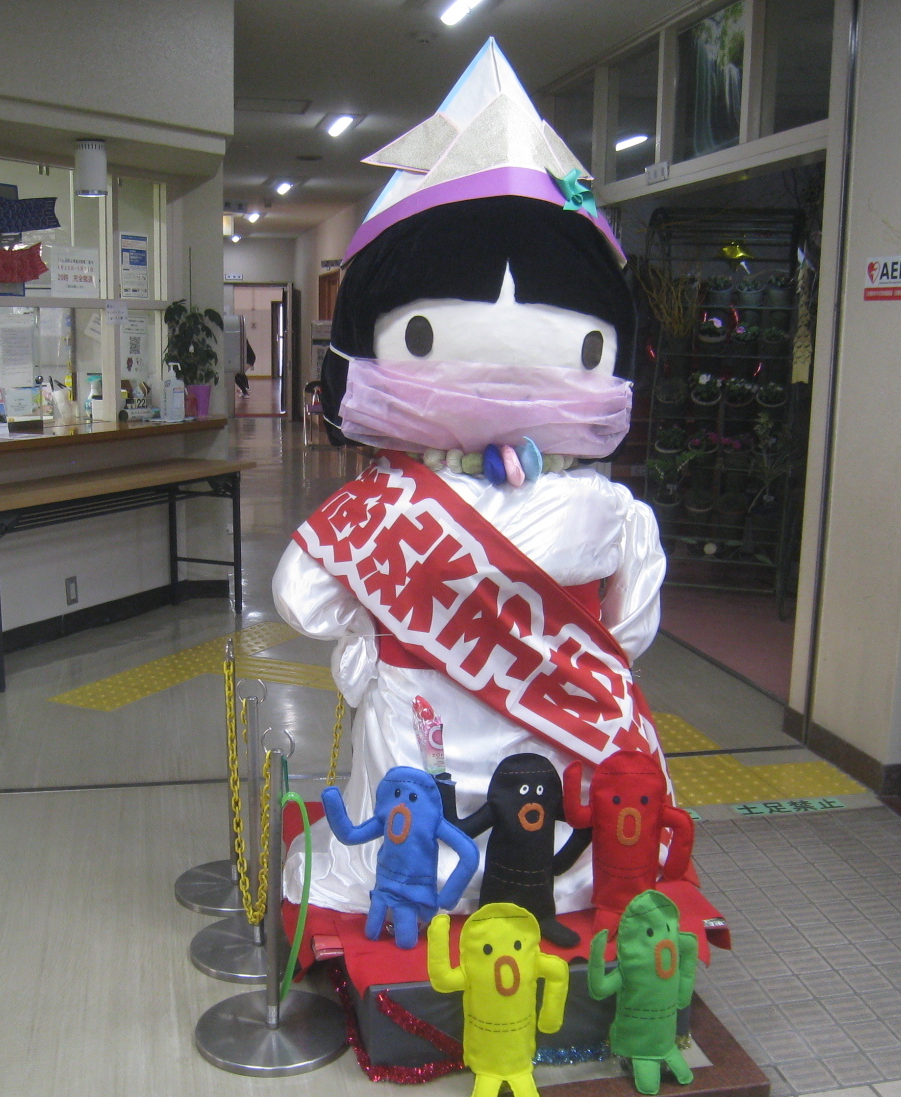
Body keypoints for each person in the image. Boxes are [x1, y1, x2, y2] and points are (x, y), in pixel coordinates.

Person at [274, 39, 669, 924]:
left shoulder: (381, 508)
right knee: (557, 820)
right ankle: (560, 882)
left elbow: (304, 601)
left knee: (401, 818)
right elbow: (631, 628)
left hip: (413, 728)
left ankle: (410, 885)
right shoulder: (607, 510)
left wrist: (372, 636)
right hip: (557, 738)